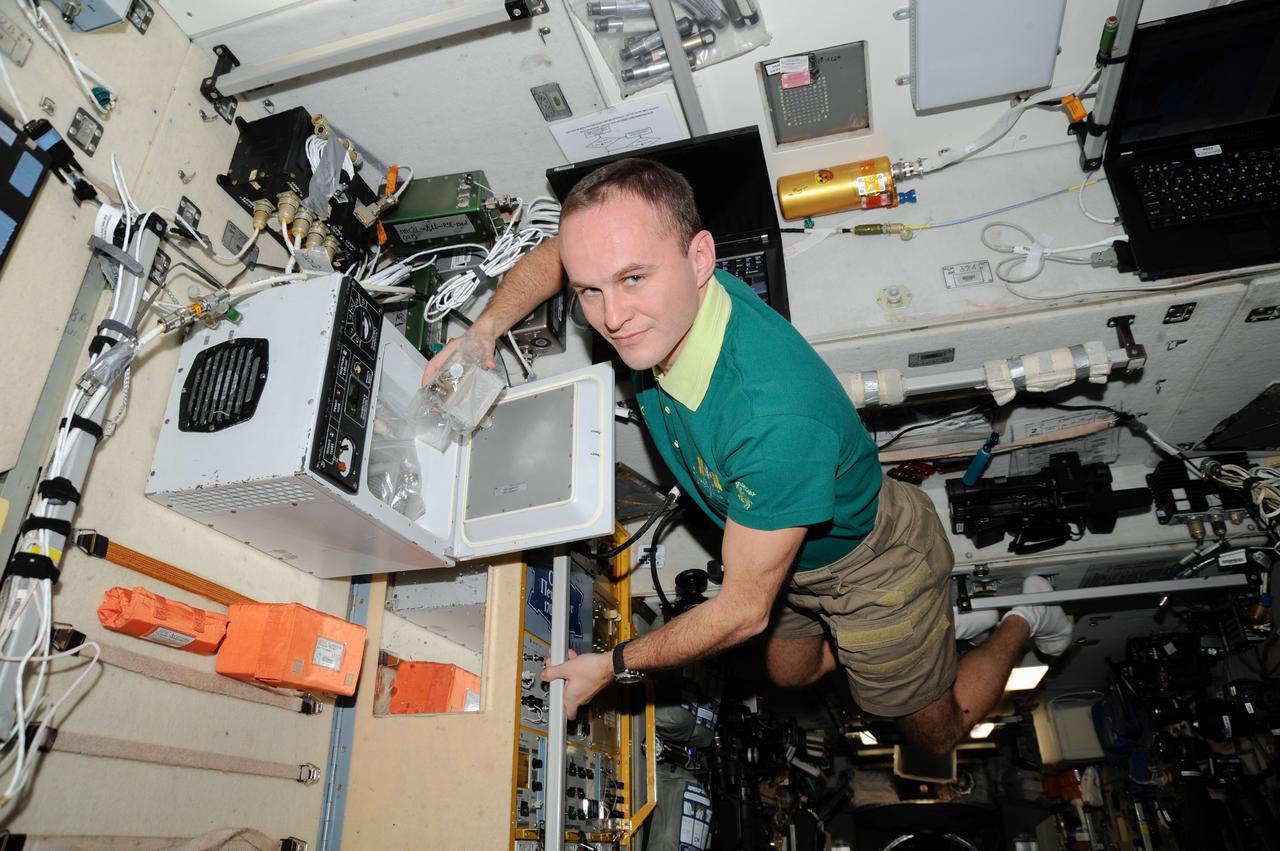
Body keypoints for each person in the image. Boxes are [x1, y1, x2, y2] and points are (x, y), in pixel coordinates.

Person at [421, 158, 1073, 754]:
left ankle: (1024, 613)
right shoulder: (661, 305)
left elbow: (741, 611)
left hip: (873, 564)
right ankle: (906, 644)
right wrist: (482, 334)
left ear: (700, 257)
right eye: (591, 290)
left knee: (931, 732)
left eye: (633, 279)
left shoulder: (771, 422)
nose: (612, 315)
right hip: (791, 554)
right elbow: (558, 257)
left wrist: (613, 663)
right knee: (790, 673)